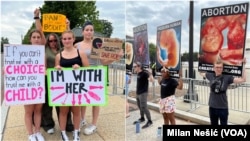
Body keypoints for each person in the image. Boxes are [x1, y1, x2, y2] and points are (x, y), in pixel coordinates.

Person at [74, 21, 123, 135]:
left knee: (95, 100)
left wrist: (116, 57)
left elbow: (104, 61)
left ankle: (94, 124)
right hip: (82, 73)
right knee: (82, 99)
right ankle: (82, 119)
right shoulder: (77, 45)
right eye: (87, 30)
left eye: (91, 30)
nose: (89, 32)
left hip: (95, 74)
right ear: (83, 31)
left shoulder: (97, 44)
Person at [34, 8, 74, 134]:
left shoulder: (63, 49)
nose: (52, 42)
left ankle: (67, 123)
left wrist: (67, 25)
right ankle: (48, 124)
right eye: (50, 40)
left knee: (63, 102)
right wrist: (37, 17)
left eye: (54, 40)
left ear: (58, 40)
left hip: (61, 80)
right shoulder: (45, 49)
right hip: (47, 79)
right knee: (47, 103)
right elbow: (40, 31)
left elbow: (68, 36)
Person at [54, 30, 89, 141]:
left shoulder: (80, 53)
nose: (67, 40)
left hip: (77, 87)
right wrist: (57, 69)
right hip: (64, 89)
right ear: (62, 40)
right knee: (63, 112)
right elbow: (55, 73)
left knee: (76, 111)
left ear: (73, 39)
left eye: (69, 38)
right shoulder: (58, 56)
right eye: (64, 39)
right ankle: (63, 133)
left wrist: (80, 68)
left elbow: (88, 69)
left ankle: (76, 132)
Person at [199, 59, 246, 125]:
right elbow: (201, 72)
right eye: (217, 67)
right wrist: (201, 60)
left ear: (222, 68)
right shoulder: (210, 75)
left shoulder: (227, 77)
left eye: (220, 67)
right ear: (214, 68)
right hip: (212, 107)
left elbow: (243, 79)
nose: (219, 69)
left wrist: (243, 65)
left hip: (222, 108)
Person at [133, 61, 154, 129]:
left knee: (144, 107)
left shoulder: (144, 73)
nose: (134, 68)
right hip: (138, 93)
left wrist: (150, 73)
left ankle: (150, 121)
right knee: (140, 106)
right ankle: (142, 118)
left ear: (139, 67)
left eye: (135, 66)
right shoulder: (138, 73)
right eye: (134, 67)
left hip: (143, 93)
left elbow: (152, 80)